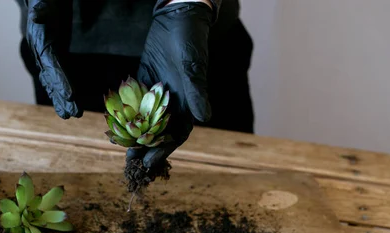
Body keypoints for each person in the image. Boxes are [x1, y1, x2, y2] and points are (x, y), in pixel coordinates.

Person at [16, 0, 253, 170]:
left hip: (192, 38)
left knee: (233, 174)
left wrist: (187, 3)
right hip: (64, 42)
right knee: (70, 174)